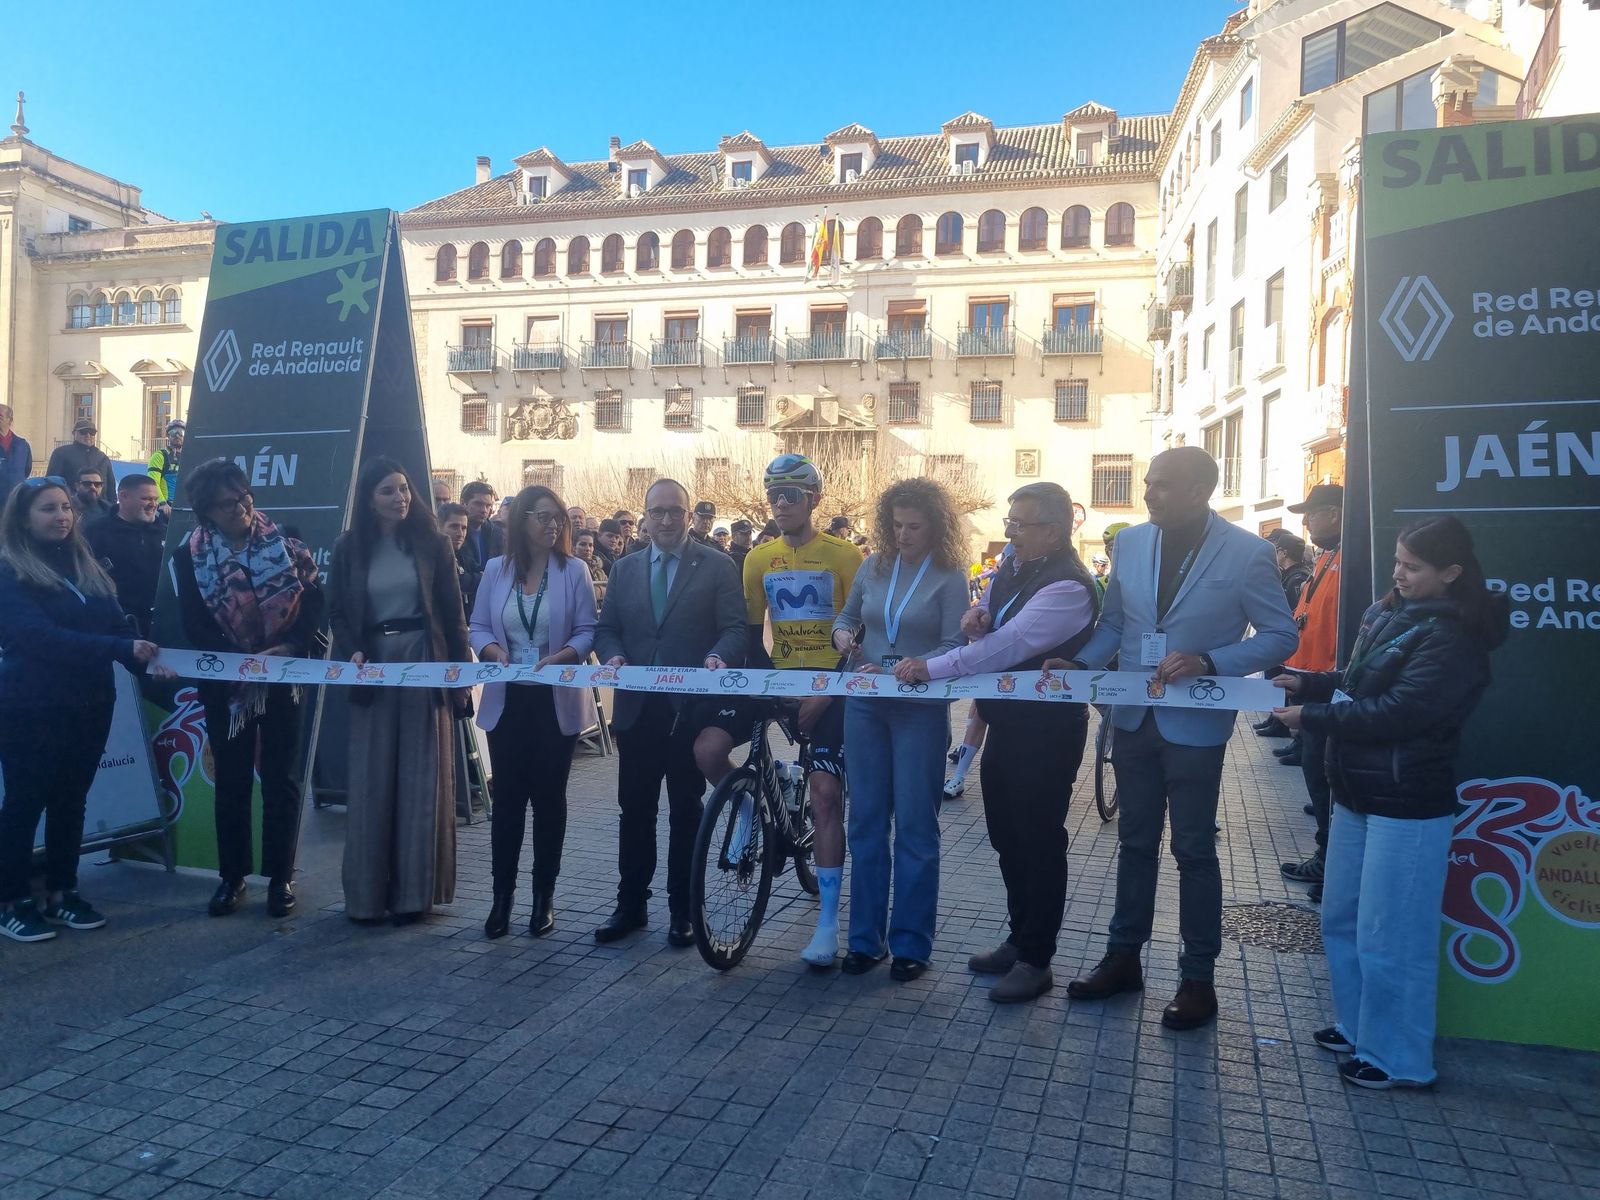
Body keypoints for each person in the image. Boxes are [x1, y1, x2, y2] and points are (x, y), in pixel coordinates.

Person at [1061, 447, 1298, 1029]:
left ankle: (1198, 981)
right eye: (1149, 482)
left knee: (1193, 850)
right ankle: (1123, 959)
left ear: (1199, 490)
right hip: (1133, 717)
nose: (1149, 493)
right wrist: (1081, 665)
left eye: (1162, 484)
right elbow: (1116, 623)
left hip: (1196, 723)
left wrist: (1210, 661)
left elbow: (1280, 635)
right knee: (1134, 843)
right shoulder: (1131, 543)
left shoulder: (1248, 552)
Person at [1273, 516, 1507, 1089]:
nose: (1398, 574)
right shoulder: (1390, 614)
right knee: (1343, 917)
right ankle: (1357, 1027)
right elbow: (1360, 681)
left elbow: (1402, 713)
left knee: (1393, 932)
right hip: (1357, 792)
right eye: (1398, 561)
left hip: (1407, 802)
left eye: (1413, 567)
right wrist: (1310, 683)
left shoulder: (1455, 638)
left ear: (1452, 573)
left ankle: (1400, 1058)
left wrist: (1312, 716)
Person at [900, 483, 1100, 1002]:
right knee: (1006, 836)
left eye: (1019, 524)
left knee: (1039, 840)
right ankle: (1018, 938)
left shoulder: (1069, 585)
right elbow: (989, 617)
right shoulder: (1015, 563)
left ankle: (1037, 959)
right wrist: (976, 616)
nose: (1009, 532)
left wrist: (931, 667)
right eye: (1009, 521)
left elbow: (1004, 649)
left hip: (1047, 732)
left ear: (1053, 531)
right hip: (1006, 724)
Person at [699, 454, 860, 967]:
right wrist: (770, 687)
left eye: (791, 496)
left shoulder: (845, 556)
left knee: (825, 793)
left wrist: (826, 693)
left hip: (831, 684)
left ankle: (828, 924)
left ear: (814, 500)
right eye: (773, 496)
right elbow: (751, 634)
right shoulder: (756, 559)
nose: (780, 504)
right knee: (708, 750)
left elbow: (861, 637)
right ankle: (750, 800)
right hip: (776, 675)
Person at [0, 477, 173, 943]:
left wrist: (149, 664)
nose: (61, 517)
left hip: (91, 702)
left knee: (71, 801)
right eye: (47, 509)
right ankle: (11, 900)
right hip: (31, 706)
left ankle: (63, 891)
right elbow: (39, 638)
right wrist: (120, 648)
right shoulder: (9, 571)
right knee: (24, 803)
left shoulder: (85, 564)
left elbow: (118, 625)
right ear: (23, 519)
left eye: (65, 508)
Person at [593, 479, 745, 946]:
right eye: (656, 511)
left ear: (688, 514)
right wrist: (613, 655)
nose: (665, 520)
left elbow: (735, 628)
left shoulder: (717, 565)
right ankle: (630, 905)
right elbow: (607, 628)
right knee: (634, 810)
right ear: (644, 515)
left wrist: (718, 655)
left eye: (674, 511)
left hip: (688, 710)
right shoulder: (625, 568)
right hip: (638, 709)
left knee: (685, 810)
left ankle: (683, 909)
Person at [172, 458, 323, 919]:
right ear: (206, 511)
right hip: (228, 685)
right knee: (232, 781)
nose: (239, 508)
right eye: (226, 504)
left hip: (283, 677)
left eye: (243, 498)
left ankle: (280, 878)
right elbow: (194, 624)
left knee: (281, 779)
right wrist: (241, 661)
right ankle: (231, 877)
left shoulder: (287, 540)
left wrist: (290, 646)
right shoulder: (188, 556)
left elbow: (315, 601)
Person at [829, 478, 967, 981]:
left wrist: (915, 664)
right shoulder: (874, 565)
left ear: (936, 527)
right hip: (865, 703)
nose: (903, 534)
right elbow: (847, 617)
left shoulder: (951, 576)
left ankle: (911, 943)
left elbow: (955, 644)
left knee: (915, 824)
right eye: (896, 525)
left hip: (918, 708)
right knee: (865, 822)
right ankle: (865, 940)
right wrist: (843, 636)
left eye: (914, 526)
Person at [329, 457, 470, 925]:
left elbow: (453, 615)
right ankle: (367, 898)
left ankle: (415, 895)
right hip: (373, 667)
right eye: (388, 491)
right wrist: (351, 650)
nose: (400, 498)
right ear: (369, 499)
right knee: (372, 779)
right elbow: (338, 613)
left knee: (421, 778)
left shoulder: (434, 543)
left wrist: (459, 676)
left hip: (425, 662)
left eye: (404, 488)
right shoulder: (348, 547)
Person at [470, 486, 597, 938]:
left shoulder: (574, 570)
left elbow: (587, 630)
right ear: (521, 520)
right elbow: (478, 625)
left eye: (558, 518)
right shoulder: (496, 569)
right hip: (508, 700)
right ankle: (501, 898)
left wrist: (563, 655)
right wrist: (491, 650)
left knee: (549, 802)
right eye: (543, 517)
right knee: (507, 803)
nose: (553, 525)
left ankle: (544, 897)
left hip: (554, 701)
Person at [85, 473, 166, 637]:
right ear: (123, 496)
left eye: (155, 499)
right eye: (146, 499)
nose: (153, 504)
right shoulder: (95, 532)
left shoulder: (165, 532)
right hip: (114, 625)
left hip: (161, 623)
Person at [46, 420, 115, 497]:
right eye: (83, 432)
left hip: (100, 503)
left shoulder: (102, 457)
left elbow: (111, 487)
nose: (88, 435)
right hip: (71, 502)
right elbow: (51, 482)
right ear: (74, 433)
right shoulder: (61, 453)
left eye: (92, 432)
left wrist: (111, 503)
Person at [436, 502, 481, 615]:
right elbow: (456, 583)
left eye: (464, 528)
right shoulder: (431, 555)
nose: (460, 533)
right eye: (454, 526)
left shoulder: (463, 552)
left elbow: (480, 572)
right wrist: (477, 578)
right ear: (439, 526)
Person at [460, 480, 504, 567]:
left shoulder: (496, 533)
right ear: (463, 503)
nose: (484, 510)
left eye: (488, 505)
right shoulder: (454, 533)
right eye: (478, 504)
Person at [147, 420, 185, 515]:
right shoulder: (159, 456)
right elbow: (153, 481)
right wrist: (162, 503)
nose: (177, 435)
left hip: (184, 505)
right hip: (166, 507)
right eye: (173, 432)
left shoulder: (188, 457)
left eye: (181, 432)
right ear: (168, 436)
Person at [0, 404, 33, 497]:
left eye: (0, 416)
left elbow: (27, 469)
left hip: (16, 497)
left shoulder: (22, 445)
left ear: (10, 420)